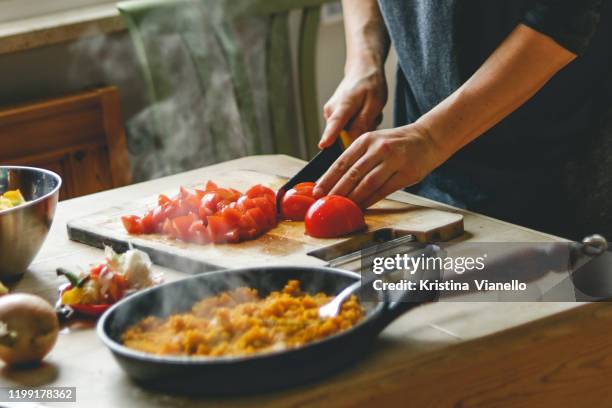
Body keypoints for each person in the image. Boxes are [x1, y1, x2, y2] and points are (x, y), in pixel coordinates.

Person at [313, 0, 612, 240]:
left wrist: (431, 137)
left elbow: (564, 15)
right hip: (428, 159)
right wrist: (363, 60)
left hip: (560, 169)